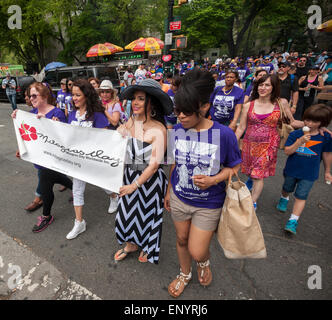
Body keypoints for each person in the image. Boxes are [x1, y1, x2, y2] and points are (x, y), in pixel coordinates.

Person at [165, 69, 242, 298]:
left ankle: (203, 262)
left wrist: (214, 179)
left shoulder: (225, 134)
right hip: (179, 197)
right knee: (181, 239)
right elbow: (174, 164)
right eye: (177, 111)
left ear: (204, 107)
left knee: (197, 250)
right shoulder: (176, 131)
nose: (180, 117)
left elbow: (235, 167)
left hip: (209, 203)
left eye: (186, 112)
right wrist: (169, 191)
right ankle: (184, 274)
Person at [113, 78, 173, 264]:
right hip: (129, 176)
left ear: (151, 103)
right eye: (134, 99)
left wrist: (135, 185)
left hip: (149, 183)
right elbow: (113, 140)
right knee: (126, 215)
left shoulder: (159, 129)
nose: (135, 103)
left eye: (141, 98)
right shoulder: (131, 120)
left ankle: (148, 246)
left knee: (147, 217)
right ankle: (131, 244)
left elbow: (154, 165)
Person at [235, 74, 303, 210]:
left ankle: (252, 202)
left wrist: (316, 125)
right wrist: (231, 143)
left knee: (258, 175)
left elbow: (293, 122)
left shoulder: (281, 103)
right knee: (250, 173)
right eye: (260, 85)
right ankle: (251, 185)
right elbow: (242, 127)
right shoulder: (248, 105)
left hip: (268, 145)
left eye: (267, 85)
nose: (263, 88)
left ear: (274, 87)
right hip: (249, 144)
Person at [12, 82, 72, 232]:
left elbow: (64, 139)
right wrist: (22, 147)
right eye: (29, 96)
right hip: (39, 158)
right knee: (55, 178)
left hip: (53, 159)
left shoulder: (57, 113)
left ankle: (46, 216)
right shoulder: (31, 114)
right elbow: (27, 135)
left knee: (46, 185)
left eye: (34, 95)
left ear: (45, 96)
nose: (31, 98)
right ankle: (74, 187)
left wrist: (48, 123)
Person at [277, 104, 332, 235]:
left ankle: (293, 220)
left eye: (315, 121)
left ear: (322, 123)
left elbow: (327, 154)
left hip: (309, 173)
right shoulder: (295, 133)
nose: (309, 123)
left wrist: (327, 171)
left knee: (301, 196)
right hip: (291, 169)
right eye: (307, 119)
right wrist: (299, 141)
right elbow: (287, 151)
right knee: (287, 188)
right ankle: (284, 198)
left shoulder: (325, 137)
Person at [66, 79, 109, 240]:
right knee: (77, 189)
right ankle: (79, 222)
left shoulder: (97, 115)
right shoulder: (71, 114)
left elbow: (106, 138)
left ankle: (114, 197)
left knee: (103, 183)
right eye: (73, 95)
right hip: (77, 162)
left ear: (86, 95)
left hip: (94, 160)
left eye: (78, 95)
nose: (74, 98)